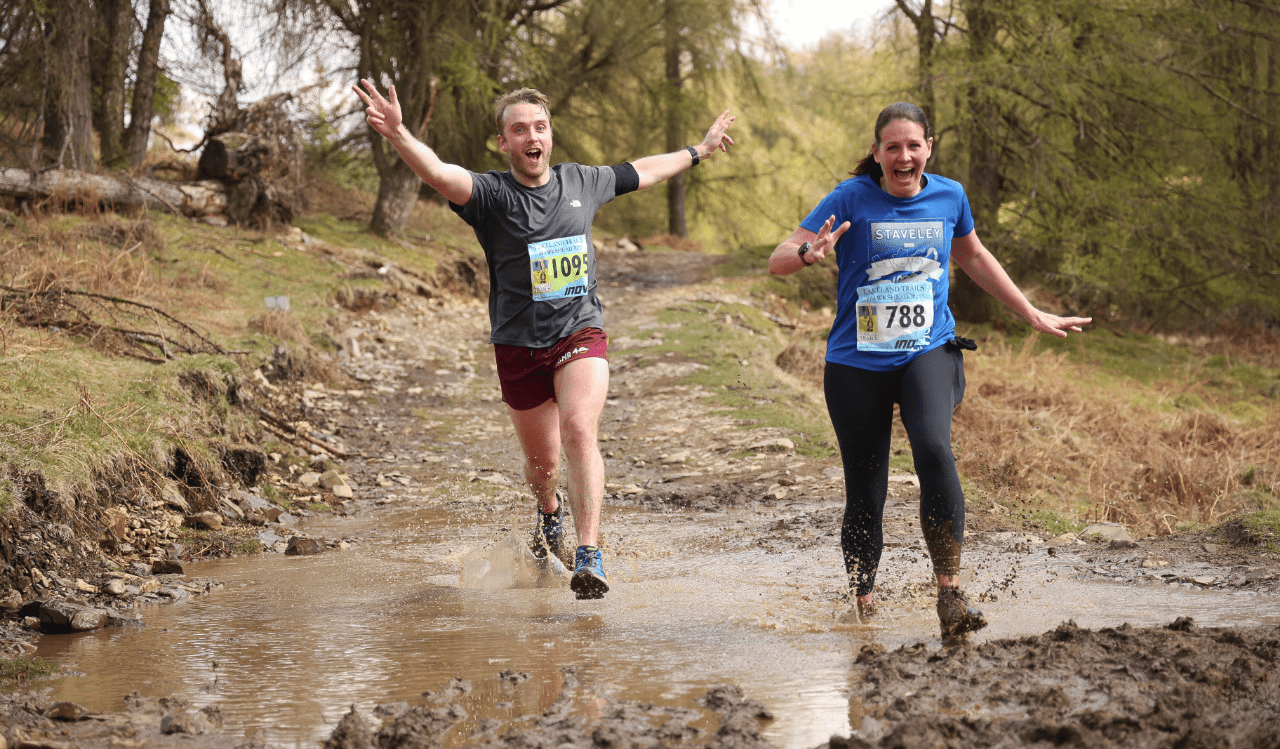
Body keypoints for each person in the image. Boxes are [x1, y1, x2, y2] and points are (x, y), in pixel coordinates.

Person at [353, 80, 736, 600]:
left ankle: (589, 553)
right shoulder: (490, 195)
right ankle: (548, 514)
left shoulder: (583, 180)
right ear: (503, 142)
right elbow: (439, 173)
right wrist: (398, 134)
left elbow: (641, 170)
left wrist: (699, 151)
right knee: (543, 467)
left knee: (580, 427)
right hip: (517, 346)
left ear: (549, 135)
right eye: (519, 129)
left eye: (539, 126)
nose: (531, 136)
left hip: (580, 333)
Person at [767, 102, 1090, 638]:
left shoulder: (949, 195)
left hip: (928, 350)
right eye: (891, 147)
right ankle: (863, 607)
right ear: (877, 154)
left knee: (935, 449)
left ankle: (950, 593)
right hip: (855, 361)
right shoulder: (849, 198)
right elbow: (779, 256)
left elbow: (975, 257)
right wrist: (807, 253)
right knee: (866, 488)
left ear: (928, 149)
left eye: (913, 145)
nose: (903, 156)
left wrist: (1030, 312)